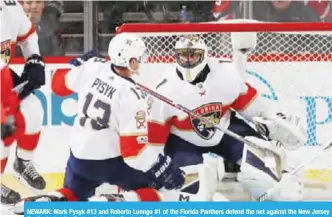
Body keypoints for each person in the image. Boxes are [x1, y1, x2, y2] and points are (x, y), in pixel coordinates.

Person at [139, 34, 306, 201]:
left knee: (267, 180)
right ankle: (214, 171)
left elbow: (254, 108)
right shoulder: (163, 91)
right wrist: (156, 171)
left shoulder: (226, 74)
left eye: (193, 55)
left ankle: (278, 173)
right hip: (183, 142)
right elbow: (154, 143)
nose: (188, 60)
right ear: (176, 56)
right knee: (194, 198)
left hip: (224, 130)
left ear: (204, 55)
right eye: (184, 55)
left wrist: (274, 121)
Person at [0, 0, 46, 204]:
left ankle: (23, 163)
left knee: (33, 109)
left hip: (2, 74)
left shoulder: (9, 7)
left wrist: (34, 58)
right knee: (2, 132)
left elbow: (28, 36)